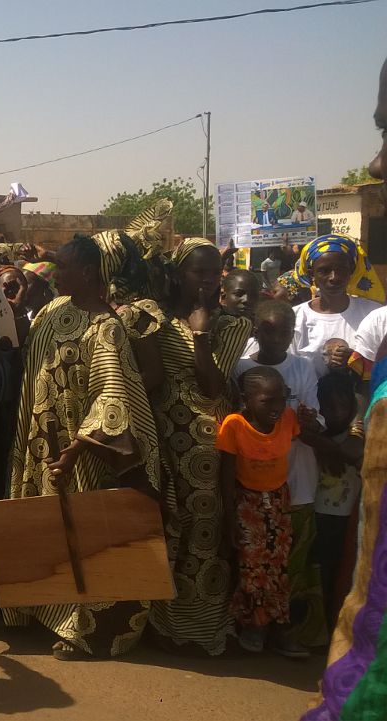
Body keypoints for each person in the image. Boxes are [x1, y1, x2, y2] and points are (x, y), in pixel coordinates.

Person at [3, 233, 162, 660]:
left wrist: (76, 449)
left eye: (66, 266)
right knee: (46, 528)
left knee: (84, 535)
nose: (57, 273)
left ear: (90, 272)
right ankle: (45, 613)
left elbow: (112, 398)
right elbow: (30, 360)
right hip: (39, 440)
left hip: (81, 450)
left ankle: (88, 631)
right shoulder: (53, 311)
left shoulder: (106, 327)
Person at [304, 57, 387, 721]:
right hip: (302, 445)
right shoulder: (294, 314)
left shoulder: (373, 315)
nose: (329, 279)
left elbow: (359, 380)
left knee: (345, 548)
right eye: (320, 270)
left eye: (339, 270)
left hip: (353, 452)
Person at [148, 239, 254, 657]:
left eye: (215, 273)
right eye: (199, 272)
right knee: (165, 521)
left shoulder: (231, 325)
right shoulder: (154, 317)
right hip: (159, 429)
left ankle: (201, 623)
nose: (209, 280)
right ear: (178, 274)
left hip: (204, 443)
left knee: (202, 528)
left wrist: (202, 334)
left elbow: (213, 386)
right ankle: (159, 620)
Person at [235, 300, 327, 653]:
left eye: (286, 331)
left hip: (296, 481)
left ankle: (287, 629)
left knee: (292, 564)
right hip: (252, 484)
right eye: (269, 330)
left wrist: (307, 422)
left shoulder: (303, 369)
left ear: (293, 333)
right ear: (255, 331)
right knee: (255, 561)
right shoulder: (240, 368)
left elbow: (312, 423)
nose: (277, 337)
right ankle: (255, 626)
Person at [217, 366, 317, 657]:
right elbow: (226, 475)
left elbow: (305, 434)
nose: (276, 408)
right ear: (246, 399)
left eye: (281, 400)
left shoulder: (287, 419)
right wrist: (229, 520)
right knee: (252, 566)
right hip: (247, 501)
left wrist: (313, 422)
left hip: (278, 500)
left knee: (278, 566)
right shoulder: (234, 425)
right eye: (267, 401)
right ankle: (254, 626)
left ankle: (277, 627)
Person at [291, 233, 385, 377]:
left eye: (341, 269)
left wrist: (356, 362)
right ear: (312, 274)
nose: (334, 277)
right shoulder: (295, 318)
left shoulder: (374, 314)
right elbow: (288, 368)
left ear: (351, 271)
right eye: (324, 270)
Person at [311, 373, 362, 624]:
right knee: (318, 571)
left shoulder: (356, 435)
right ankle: (317, 625)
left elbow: (353, 452)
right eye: (329, 407)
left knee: (337, 572)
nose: (337, 413)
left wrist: (327, 448)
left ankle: (333, 623)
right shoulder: (315, 435)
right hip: (316, 514)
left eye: (343, 406)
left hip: (345, 519)